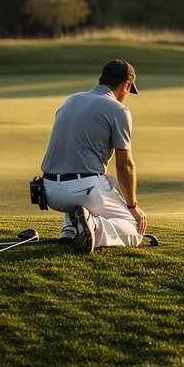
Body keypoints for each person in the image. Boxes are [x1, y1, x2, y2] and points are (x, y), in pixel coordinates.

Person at [39, 59, 148, 254]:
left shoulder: (71, 100)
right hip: (83, 189)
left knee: (102, 181)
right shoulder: (119, 110)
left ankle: (70, 228)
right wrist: (133, 206)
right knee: (133, 229)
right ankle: (93, 226)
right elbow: (124, 166)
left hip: (49, 191)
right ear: (126, 85)